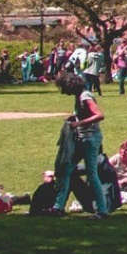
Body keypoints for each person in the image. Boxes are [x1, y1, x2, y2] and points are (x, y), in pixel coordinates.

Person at [51, 73, 109, 216]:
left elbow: (99, 115)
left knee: (91, 174)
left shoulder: (85, 96)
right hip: (80, 138)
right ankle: (58, 206)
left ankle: (102, 210)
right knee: (66, 169)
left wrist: (79, 123)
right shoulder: (79, 96)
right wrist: (74, 118)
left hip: (90, 139)